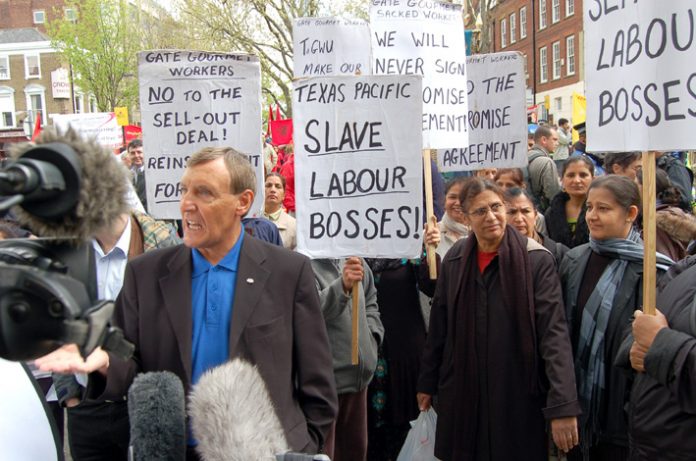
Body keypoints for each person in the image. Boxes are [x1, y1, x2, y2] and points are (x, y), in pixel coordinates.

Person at [36, 147, 338, 459]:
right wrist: (104, 362)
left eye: (204, 193)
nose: (186, 204)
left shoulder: (287, 272)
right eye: (184, 190)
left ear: (243, 202)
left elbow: (317, 380)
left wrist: (302, 446)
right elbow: (131, 362)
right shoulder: (145, 273)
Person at [417, 178, 581, 461]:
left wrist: (563, 404)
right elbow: (440, 328)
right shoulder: (456, 259)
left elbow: (553, 334)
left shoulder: (536, 260)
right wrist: (427, 383)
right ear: (467, 218)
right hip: (464, 391)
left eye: (496, 207)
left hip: (516, 393)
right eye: (480, 211)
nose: (491, 217)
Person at [558, 175, 673, 460]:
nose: (592, 216)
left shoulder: (654, 271)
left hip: (626, 414)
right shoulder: (573, 260)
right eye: (589, 208)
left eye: (604, 209)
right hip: (578, 411)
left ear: (631, 213)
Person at [54, 208, 180, 461]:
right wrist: (71, 397)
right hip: (87, 406)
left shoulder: (162, 243)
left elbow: (178, 325)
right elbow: (56, 321)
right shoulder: (65, 250)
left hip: (145, 403)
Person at [616, 263, 696, 460]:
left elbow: (655, 337)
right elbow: (643, 319)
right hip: (646, 447)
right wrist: (633, 347)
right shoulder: (687, 266)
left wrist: (659, 343)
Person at [311, 257, 384, 461]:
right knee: (326, 455)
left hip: (359, 382)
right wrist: (341, 287)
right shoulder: (304, 263)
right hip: (326, 386)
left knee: (355, 453)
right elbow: (309, 313)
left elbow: (371, 300)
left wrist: (373, 336)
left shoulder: (355, 259)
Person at [637, 169, 696, 261]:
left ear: (647, 188)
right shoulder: (673, 211)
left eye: (636, 185)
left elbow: (664, 263)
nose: (633, 191)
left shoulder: (656, 222)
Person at [505, 187, 568, 266]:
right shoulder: (497, 254)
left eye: (525, 211)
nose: (519, 219)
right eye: (512, 212)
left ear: (535, 215)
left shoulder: (559, 254)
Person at [545, 156, 594, 249]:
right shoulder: (551, 213)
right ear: (562, 180)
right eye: (571, 175)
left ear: (593, 179)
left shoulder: (600, 211)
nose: (576, 180)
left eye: (583, 175)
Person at [527, 125, 561, 212]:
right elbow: (554, 196)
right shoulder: (547, 163)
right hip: (539, 212)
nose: (557, 143)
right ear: (544, 140)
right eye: (554, 139)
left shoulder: (524, 157)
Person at [263, 172, 296, 250]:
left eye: (278, 186)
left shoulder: (294, 226)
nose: (273, 190)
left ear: (284, 195)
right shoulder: (250, 220)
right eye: (268, 185)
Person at [437, 177, 470, 257]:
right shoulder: (431, 234)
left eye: (464, 198)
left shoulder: (482, 234)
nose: (458, 203)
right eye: (453, 197)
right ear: (444, 200)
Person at [127, 139, 147, 211]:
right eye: (132, 153)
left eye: (139, 152)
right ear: (128, 154)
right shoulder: (127, 174)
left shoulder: (153, 174)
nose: (136, 155)